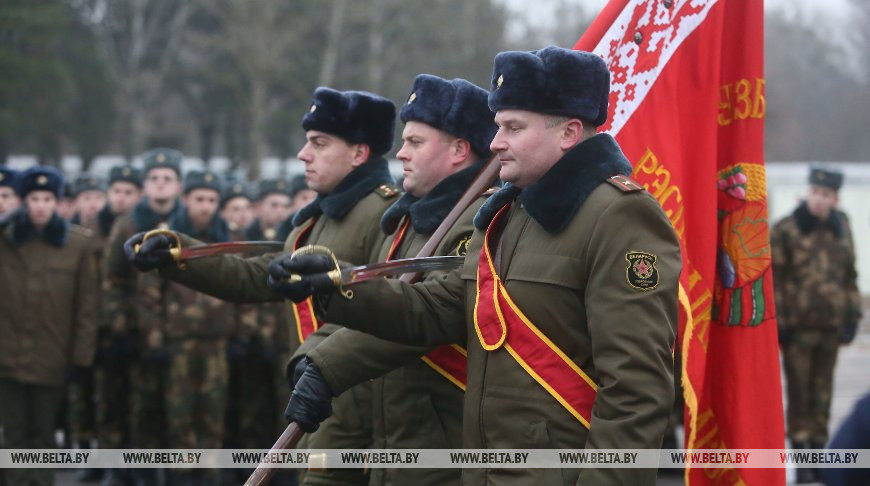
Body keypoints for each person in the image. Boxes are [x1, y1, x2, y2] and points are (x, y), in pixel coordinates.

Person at [271, 47, 682, 485]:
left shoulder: (618, 215)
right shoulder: (508, 213)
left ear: (569, 132)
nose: (495, 141)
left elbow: (636, 391)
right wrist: (337, 284)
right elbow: (439, 307)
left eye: (512, 127)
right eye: (498, 125)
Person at [125, 88, 400, 486]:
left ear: (359, 154)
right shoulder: (320, 216)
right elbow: (260, 276)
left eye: (319, 144)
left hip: (356, 410)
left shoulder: (382, 214)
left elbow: (388, 310)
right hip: (322, 404)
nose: (303, 154)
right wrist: (178, 255)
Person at [291, 74, 497, 486]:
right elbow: (376, 309)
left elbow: (424, 311)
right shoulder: (412, 223)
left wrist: (327, 362)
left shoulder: (479, 225)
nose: (400, 153)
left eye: (416, 142)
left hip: (447, 459)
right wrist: (312, 354)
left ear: (459, 149)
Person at [0, 166, 98, 486]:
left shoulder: (77, 245)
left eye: (47, 198)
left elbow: (86, 306)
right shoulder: (6, 241)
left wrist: (81, 358)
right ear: (23, 202)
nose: (40, 205)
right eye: (33, 198)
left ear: (57, 203)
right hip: (8, 356)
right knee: (13, 435)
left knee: (43, 436)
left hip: (52, 356)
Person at [770, 167, 861, 484]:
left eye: (827, 195)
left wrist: (852, 316)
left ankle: (819, 454)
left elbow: (850, 275)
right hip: (798, 327)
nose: (820, 200)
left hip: (831, 326)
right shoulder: (787, 229)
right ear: (808, 192)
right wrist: (780, 321)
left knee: (823, 395)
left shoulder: (841, 227)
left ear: (835, 199)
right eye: (817, 193)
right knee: (799, 394)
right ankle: (803, 459)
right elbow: (776, 281)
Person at [102, 148, 184, 485]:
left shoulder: (187, 223)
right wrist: (121, 327)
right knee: (143, 413)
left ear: (178, 185)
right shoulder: (128, 224)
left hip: (183, 336)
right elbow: (112, 280)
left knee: (180, 417)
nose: (160, 185)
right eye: (154, 179)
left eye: (167, 179)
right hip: (140, 336)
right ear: (145, 185)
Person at [158, 170, 233, 484]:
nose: (205, 206)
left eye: (212, 200)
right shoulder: (167, 238)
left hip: (216, 339)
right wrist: (154, 336)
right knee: (180, 411)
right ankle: (182, 472)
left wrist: (241, 331)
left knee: (213, 410)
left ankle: (211, 472)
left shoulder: (227, 237)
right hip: (179, 339)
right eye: (199, 199)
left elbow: (242, 287)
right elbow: (150, 292)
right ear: (185, 199)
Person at [92, 165, 142, 486]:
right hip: (102, 328)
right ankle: (112, 465)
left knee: (136, 403)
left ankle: (135, 467)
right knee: (108, 401)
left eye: (128, 192)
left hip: (135, 329)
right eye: (116, 191)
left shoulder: (139, 227)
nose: (121, 198)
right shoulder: (90, 230)